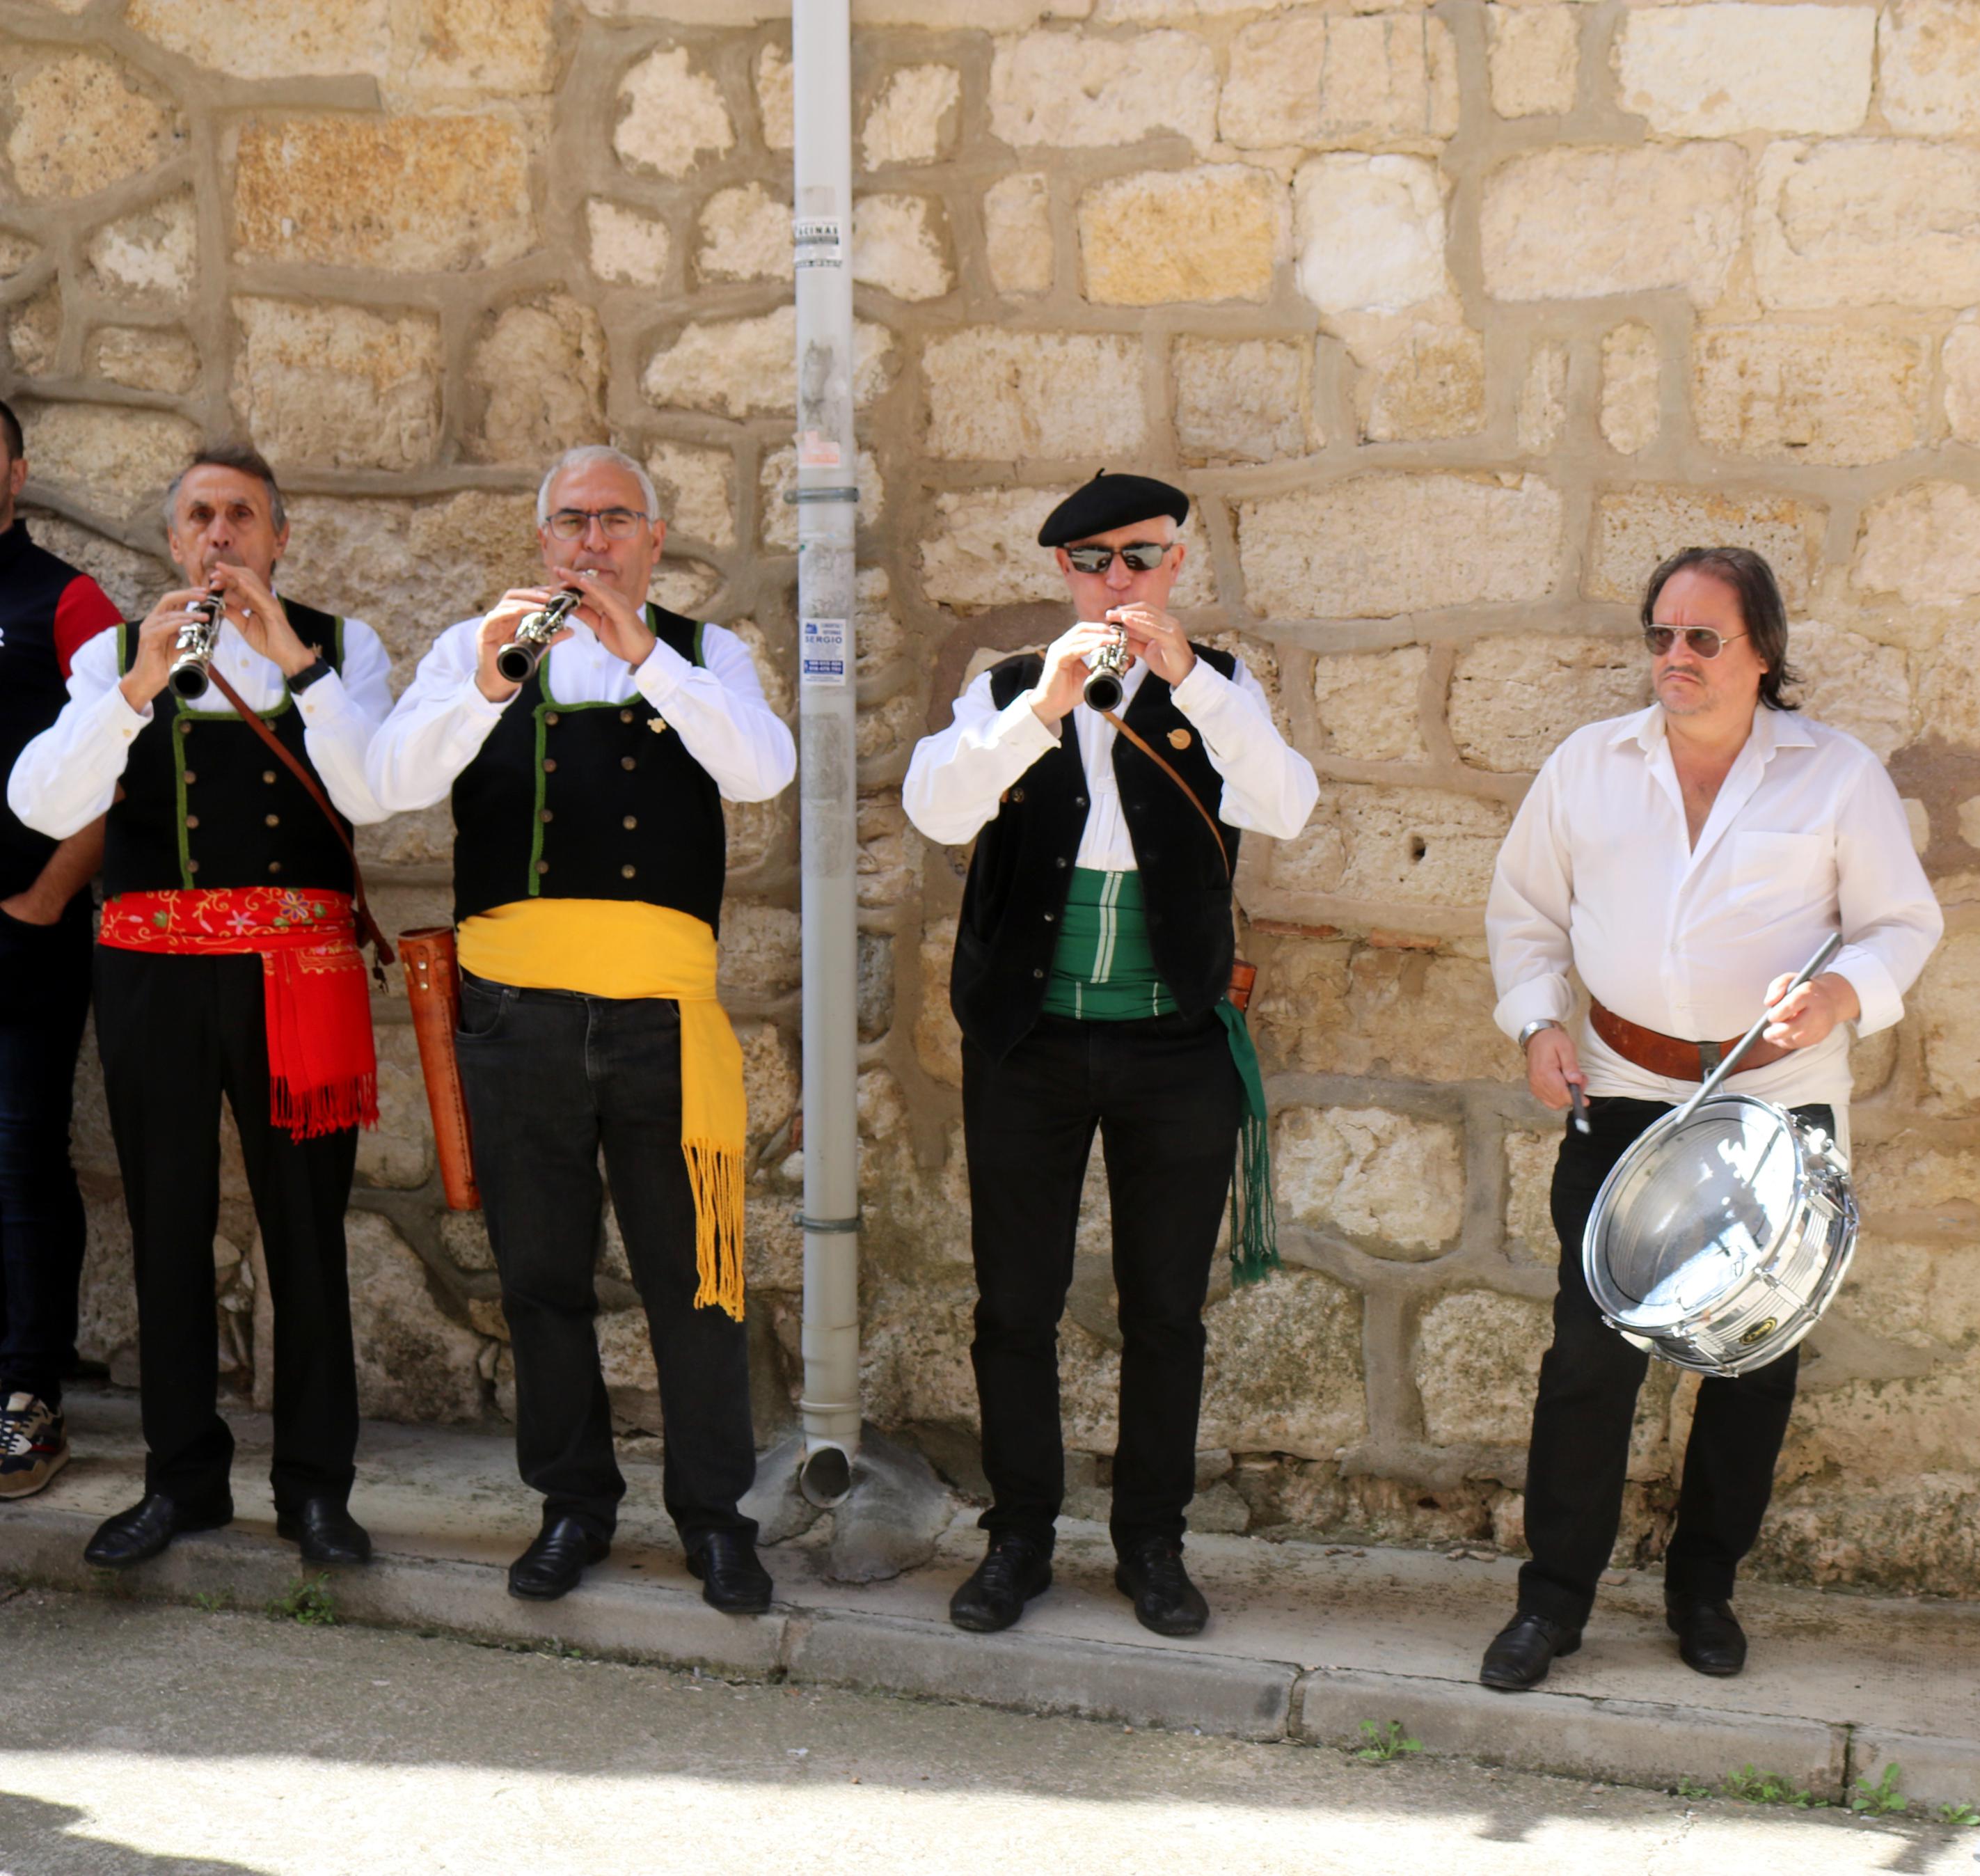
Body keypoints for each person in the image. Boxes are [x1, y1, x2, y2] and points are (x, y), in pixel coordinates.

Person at [1477, 544, 1940, 1691]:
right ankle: (1554, 1603)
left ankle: (1704, 1590)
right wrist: (1540, 1024)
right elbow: (1526, 912)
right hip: (1621, 1091)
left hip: (1776, 1104)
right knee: (1589, 1356)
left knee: (1750, 1363)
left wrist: (1841, 993)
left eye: (1702, 638)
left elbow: (1901, 926)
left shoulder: (1835, 777)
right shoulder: (1589, 767)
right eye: (1661, 636)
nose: (1674, 659)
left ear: (1762, 653)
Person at [365, 445, 795, 1614]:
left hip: (660, 1017)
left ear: (655, 541)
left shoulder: (707, 655)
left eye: (615, 521)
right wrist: (493, 683)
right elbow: (386, 782)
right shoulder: (473, 650)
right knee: (542, 1273)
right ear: (541, 539)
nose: (591, 543)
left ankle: (715, 1518)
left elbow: (762, 772)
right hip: (514, 1018)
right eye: (571, 522)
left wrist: (643, 654)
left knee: (691, 1278)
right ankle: (573, 1506)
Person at [901, 470, 1317, 1639]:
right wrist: (1041, 708)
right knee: (1013, 1305)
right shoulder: (1006, 691)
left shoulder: (1224, 690)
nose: (1118, 580)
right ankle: (1020, 1538)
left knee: (1165, 1313)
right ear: (1064, 574)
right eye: (1095, 561)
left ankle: (1153, 1545)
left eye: (1139, 557)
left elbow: (1286, 807)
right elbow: (937, 809)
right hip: (1027, 1042)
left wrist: (1192, 683)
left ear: (1175, 566)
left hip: (1173, 1042)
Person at [6, 443, 393, 1566]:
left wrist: (298, 666)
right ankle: (184, 1484)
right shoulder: (116, 656)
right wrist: (132, 692)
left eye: (241, 517)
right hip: (152, 978)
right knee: (168, 1227)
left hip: (300, 981)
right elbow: (42, 800)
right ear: (173, 545)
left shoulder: (343, 645)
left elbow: (378, 790)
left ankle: (319, 1489)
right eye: (199, 519)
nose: (220, 536)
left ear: (279, 537)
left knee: (306, 1235)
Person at [0, 397, 122, 1499]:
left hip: (18, 937)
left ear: (18, 473)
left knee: (20, 1162)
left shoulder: (67, 600)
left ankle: (26, 1397)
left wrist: (44, 900)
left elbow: (118, 759)